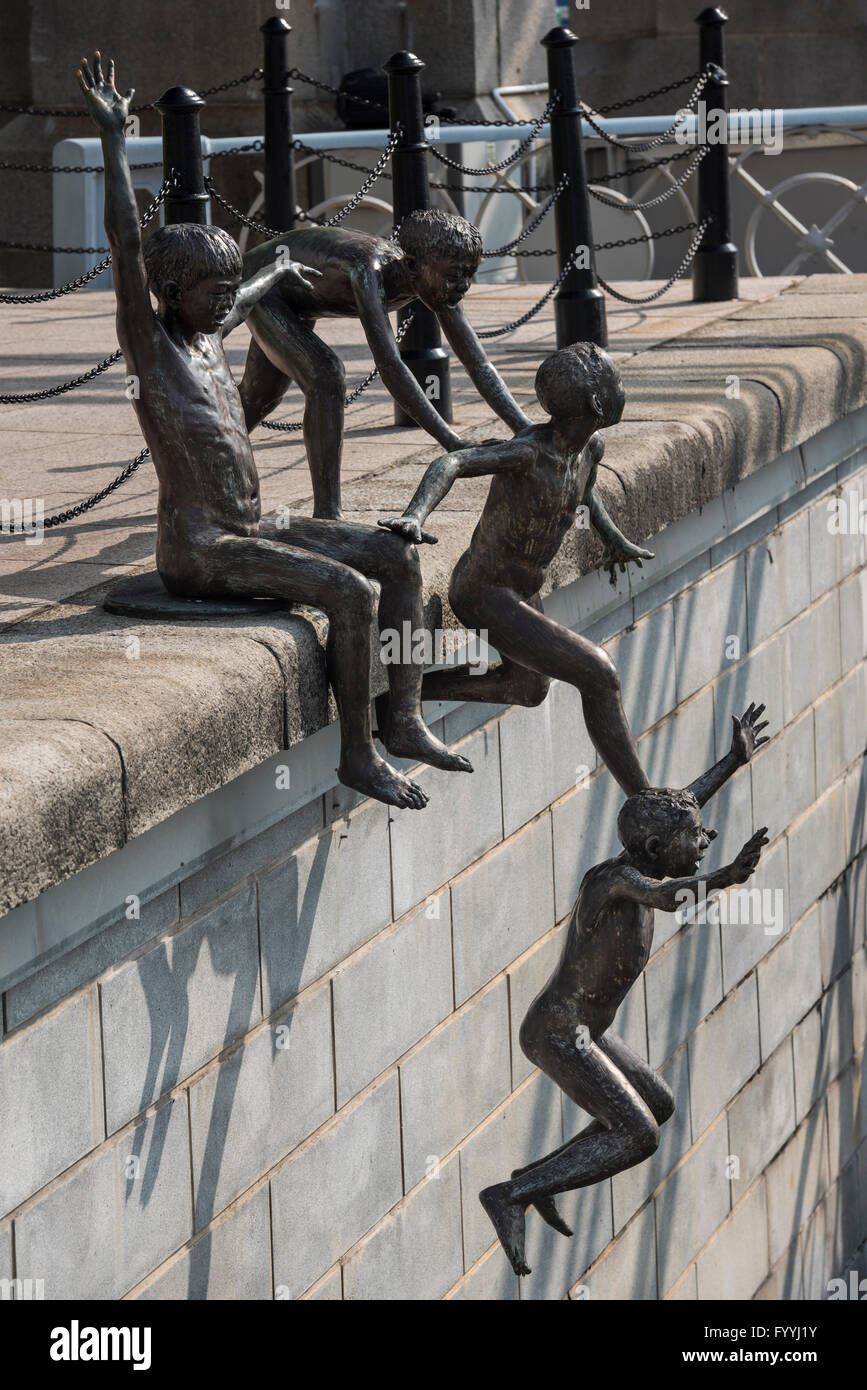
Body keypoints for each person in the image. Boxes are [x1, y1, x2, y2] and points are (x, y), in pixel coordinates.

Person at [78, 51, 471, 810]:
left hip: (252, 527)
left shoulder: (208, 334)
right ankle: (356, 754)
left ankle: (404, 716)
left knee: (394, 557)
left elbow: (266, 274)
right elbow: (127, 243)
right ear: (167, 293)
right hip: (200, 552)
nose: (228, 302)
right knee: (349, 591)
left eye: (231, 289)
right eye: (211, 291)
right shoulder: (152, 348)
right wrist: (114, 143)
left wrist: (272, 272)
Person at [479, 703, 770, 1277]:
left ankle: (534, 1182)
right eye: (695, 841)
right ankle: (507, 1197)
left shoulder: (652, 849)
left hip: (585, 1031)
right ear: (660, 851)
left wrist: (732, 761)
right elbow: (668, 895)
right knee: (638, 1134)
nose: (705, 839)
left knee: (657, 1105)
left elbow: (681, 806)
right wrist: (725, 877)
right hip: (559, 1033)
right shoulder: (619, 881)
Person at [379, 342, 654, 795]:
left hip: (523, 588)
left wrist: (614, 540)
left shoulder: (591, 446)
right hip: (483, 591)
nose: (625, 389)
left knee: (529, 688)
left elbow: (586, 493)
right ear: (597, 404)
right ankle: (642, 796)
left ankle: (399, 702)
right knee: (599, 674)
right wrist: (415, 515)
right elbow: (452, 462)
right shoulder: (529, 453)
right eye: (618, 382)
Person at [238, 209, 533, 519]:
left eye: (470, 274)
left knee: (256, 399)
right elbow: (391, 367)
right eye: (455, 275)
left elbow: (478, 363)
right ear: (411, 267)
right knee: (326, 375)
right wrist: (451, 440)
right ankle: (328, 513)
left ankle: (198, 456)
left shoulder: (433, 280)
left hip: (298, 299)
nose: (464, 286)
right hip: (267, 284)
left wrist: (525, 428)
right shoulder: (369, 271)